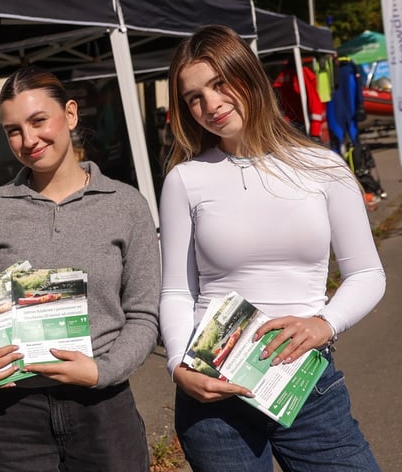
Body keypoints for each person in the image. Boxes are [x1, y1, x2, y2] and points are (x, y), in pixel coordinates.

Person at [159, 25, 385, 471]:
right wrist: (177, 367)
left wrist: (326, 323)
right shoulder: (184, 180)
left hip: (304, 382)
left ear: (249, 75)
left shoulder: (324, 168)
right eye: (194, 98)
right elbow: (177, 292)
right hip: (213, 389)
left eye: (220, 84)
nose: (211, 105)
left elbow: (367, 274)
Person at [0, 66, 160, 471]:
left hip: (102, 408)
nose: (28, 140)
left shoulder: (125, 204)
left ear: (71, 114)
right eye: (13, 130)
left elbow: (143, 315)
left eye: (38, 120)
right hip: (10, 416)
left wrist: (103, 372)